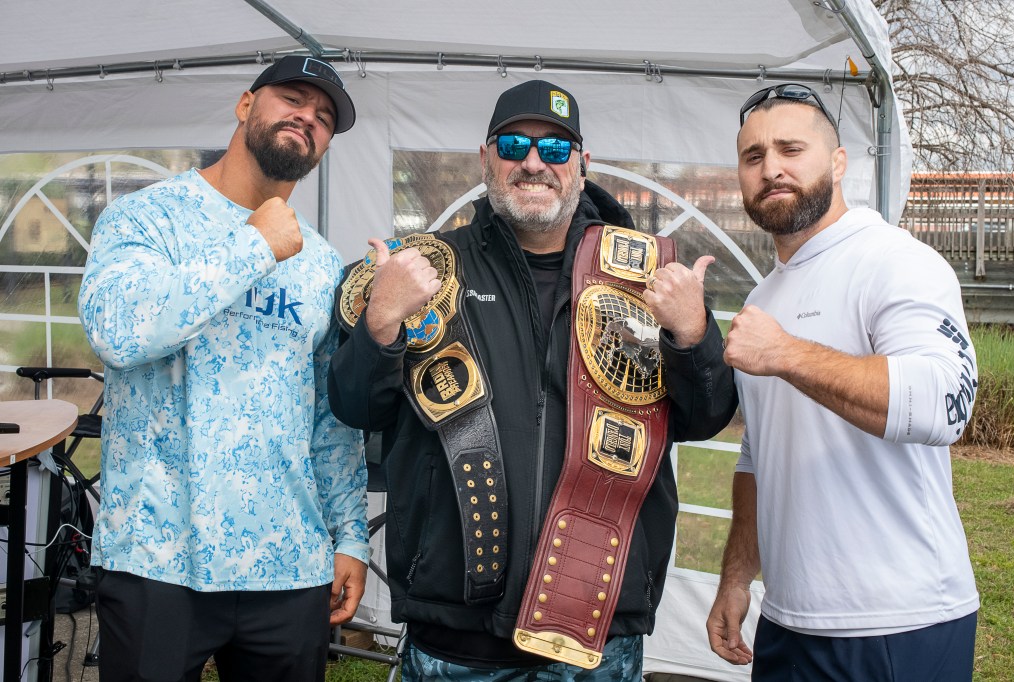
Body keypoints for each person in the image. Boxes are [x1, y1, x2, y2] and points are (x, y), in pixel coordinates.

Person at [329, 79, 737, 680]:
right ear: (486, 158)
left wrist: (694, 334)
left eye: (555, 148)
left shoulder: (646, 276)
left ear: (582, 162)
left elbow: (707, 417)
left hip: (597, 628)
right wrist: (381, 323)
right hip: (455, 634)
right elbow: (355, 407)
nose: (533, 163)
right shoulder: (426, 268)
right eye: (514, 144)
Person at [79, 55, 369, 682]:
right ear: (245, 105)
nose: (308, 118)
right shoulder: (147, 218)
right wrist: (255, 245)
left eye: (324, 117)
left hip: (288, 561)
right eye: (292, 99)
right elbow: (118, 332)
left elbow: (327, 416)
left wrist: (350, 534)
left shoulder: (321, 263)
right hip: (157, 558)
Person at [707, 83, 979, 681]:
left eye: (790, 149)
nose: (771, 169)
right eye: (754, 156)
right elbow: (758, 452)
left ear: (837, 162)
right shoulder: (763, 296)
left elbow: (944, 404)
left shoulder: (895, 261)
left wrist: (787, 353)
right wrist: (737, 576)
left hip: (900, 621)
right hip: (788, 623)